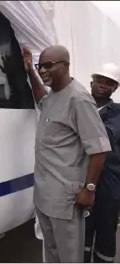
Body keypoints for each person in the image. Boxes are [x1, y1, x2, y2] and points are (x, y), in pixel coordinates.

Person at [22, 46, 112, 263]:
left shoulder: (79, 100)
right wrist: (29, 72)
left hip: (65, 199)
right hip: (44, 196)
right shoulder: (54, 95)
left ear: (65, 66)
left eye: (48, 65)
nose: (42, 70)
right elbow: (41, 100)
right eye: (39, 66)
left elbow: (99, 150)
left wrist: (89, 190)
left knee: (69, 257)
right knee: (51, 254)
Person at [84, 63, 120, 263]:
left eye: (110, 83)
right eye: (100, 81)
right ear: (91, 82)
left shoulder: (118, 112)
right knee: (83, 234)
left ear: (115, 88)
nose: (103, 86)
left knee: (106, 237)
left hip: (108, 185)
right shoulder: (80, 105)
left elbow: (105, 135)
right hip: (83, 180)